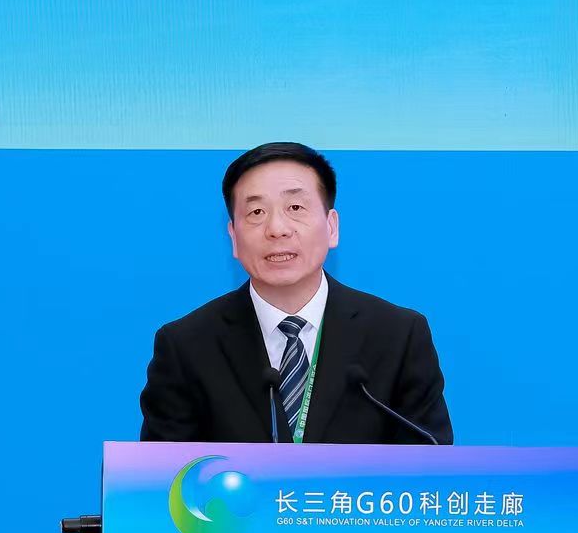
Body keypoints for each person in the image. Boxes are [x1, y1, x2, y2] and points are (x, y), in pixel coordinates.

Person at [138, 142, 453, 444]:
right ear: (233, 236)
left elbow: (430, 466)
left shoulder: (398, 336)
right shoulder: (186, 346)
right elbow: (164, 473)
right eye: (256, 212)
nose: (277, 229)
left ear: (331, 227)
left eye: (295, 207)